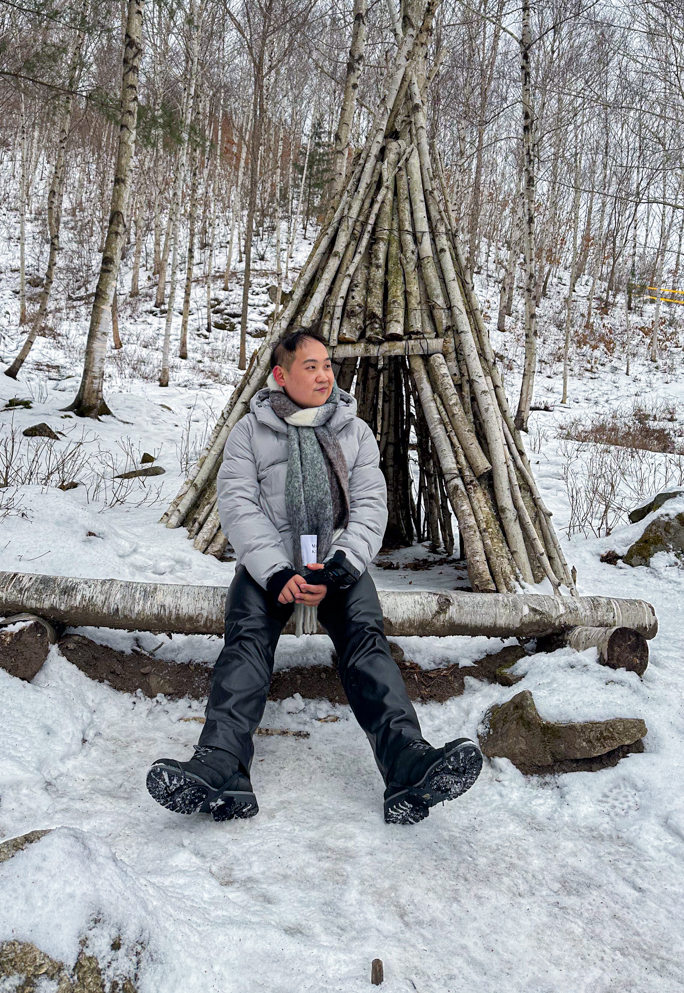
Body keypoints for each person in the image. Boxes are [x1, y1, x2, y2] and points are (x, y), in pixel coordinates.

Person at [146, 328, 483, 824]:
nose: (325, 375)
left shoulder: (354, 430)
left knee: (367, 642)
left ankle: (408, 763)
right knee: (246, 642)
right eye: (311, 366)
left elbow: (370, 504)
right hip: (271, 564)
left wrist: (345, 563)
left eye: (327, 364)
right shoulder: (250, 432)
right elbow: (239, 506)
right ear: (281, 376)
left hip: (338, 561)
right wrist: (276, 570)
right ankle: (222, 765)